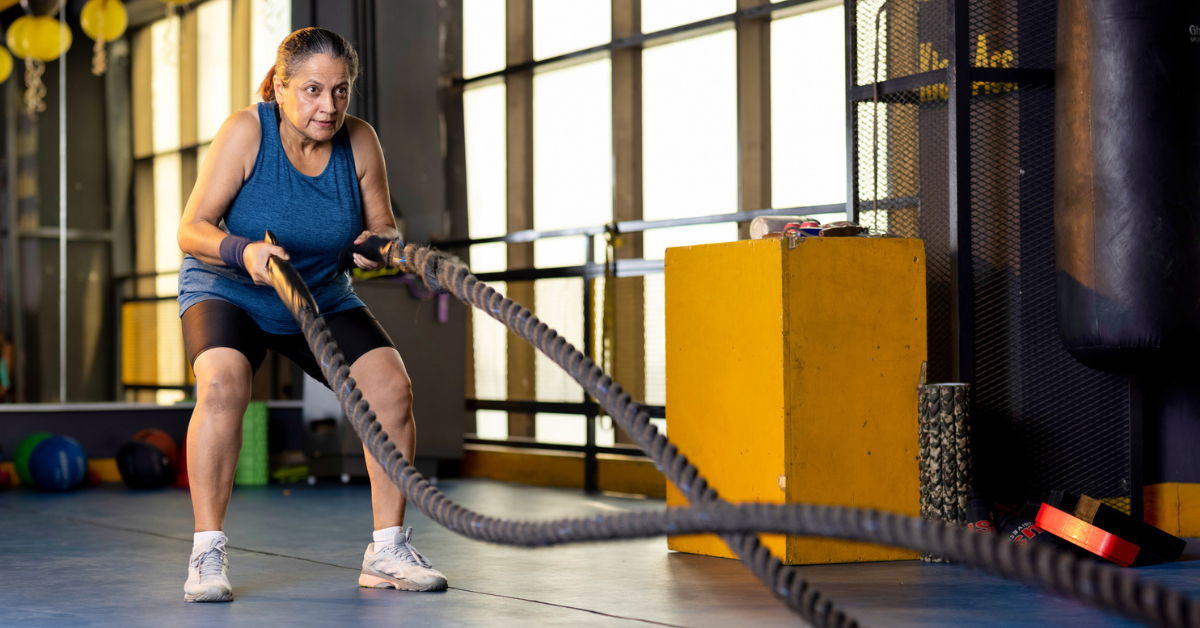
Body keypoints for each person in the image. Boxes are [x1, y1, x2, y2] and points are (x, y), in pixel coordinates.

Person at [175, 27, 444, 603]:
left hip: (319, 293)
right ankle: (206, 552)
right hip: (231, 289)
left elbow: (382, 226)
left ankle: (388, 549)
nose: (329, 106)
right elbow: (190, 229)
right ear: (279, 87)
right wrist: (242, 250)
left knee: (391, 391)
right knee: (222, 383)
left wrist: (379, 246)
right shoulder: (247, 132)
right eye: (314, 90)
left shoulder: (360, 141)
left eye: (341, 91)